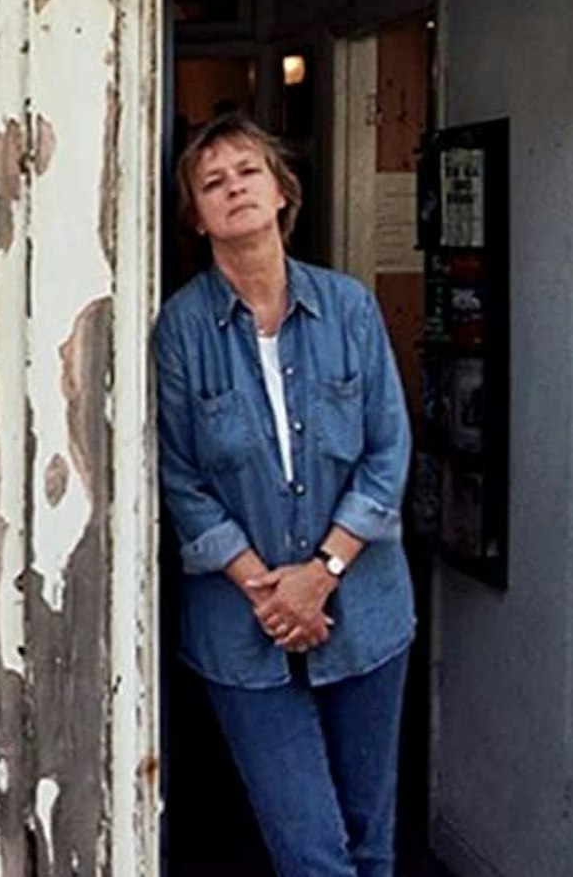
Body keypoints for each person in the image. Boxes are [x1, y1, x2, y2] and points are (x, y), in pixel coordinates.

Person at [153, 112, 414, 877]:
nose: (233, 189)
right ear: (196, 219)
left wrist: (320, 574)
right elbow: (180, 476)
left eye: (247, 173)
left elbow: (388, 451)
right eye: (212, 183)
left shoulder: (350, 308)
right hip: (242, 627)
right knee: (312, 852)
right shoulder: (181, 329)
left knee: (371, 840)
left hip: (364, 613)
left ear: (281, 192)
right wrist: (268, 591)